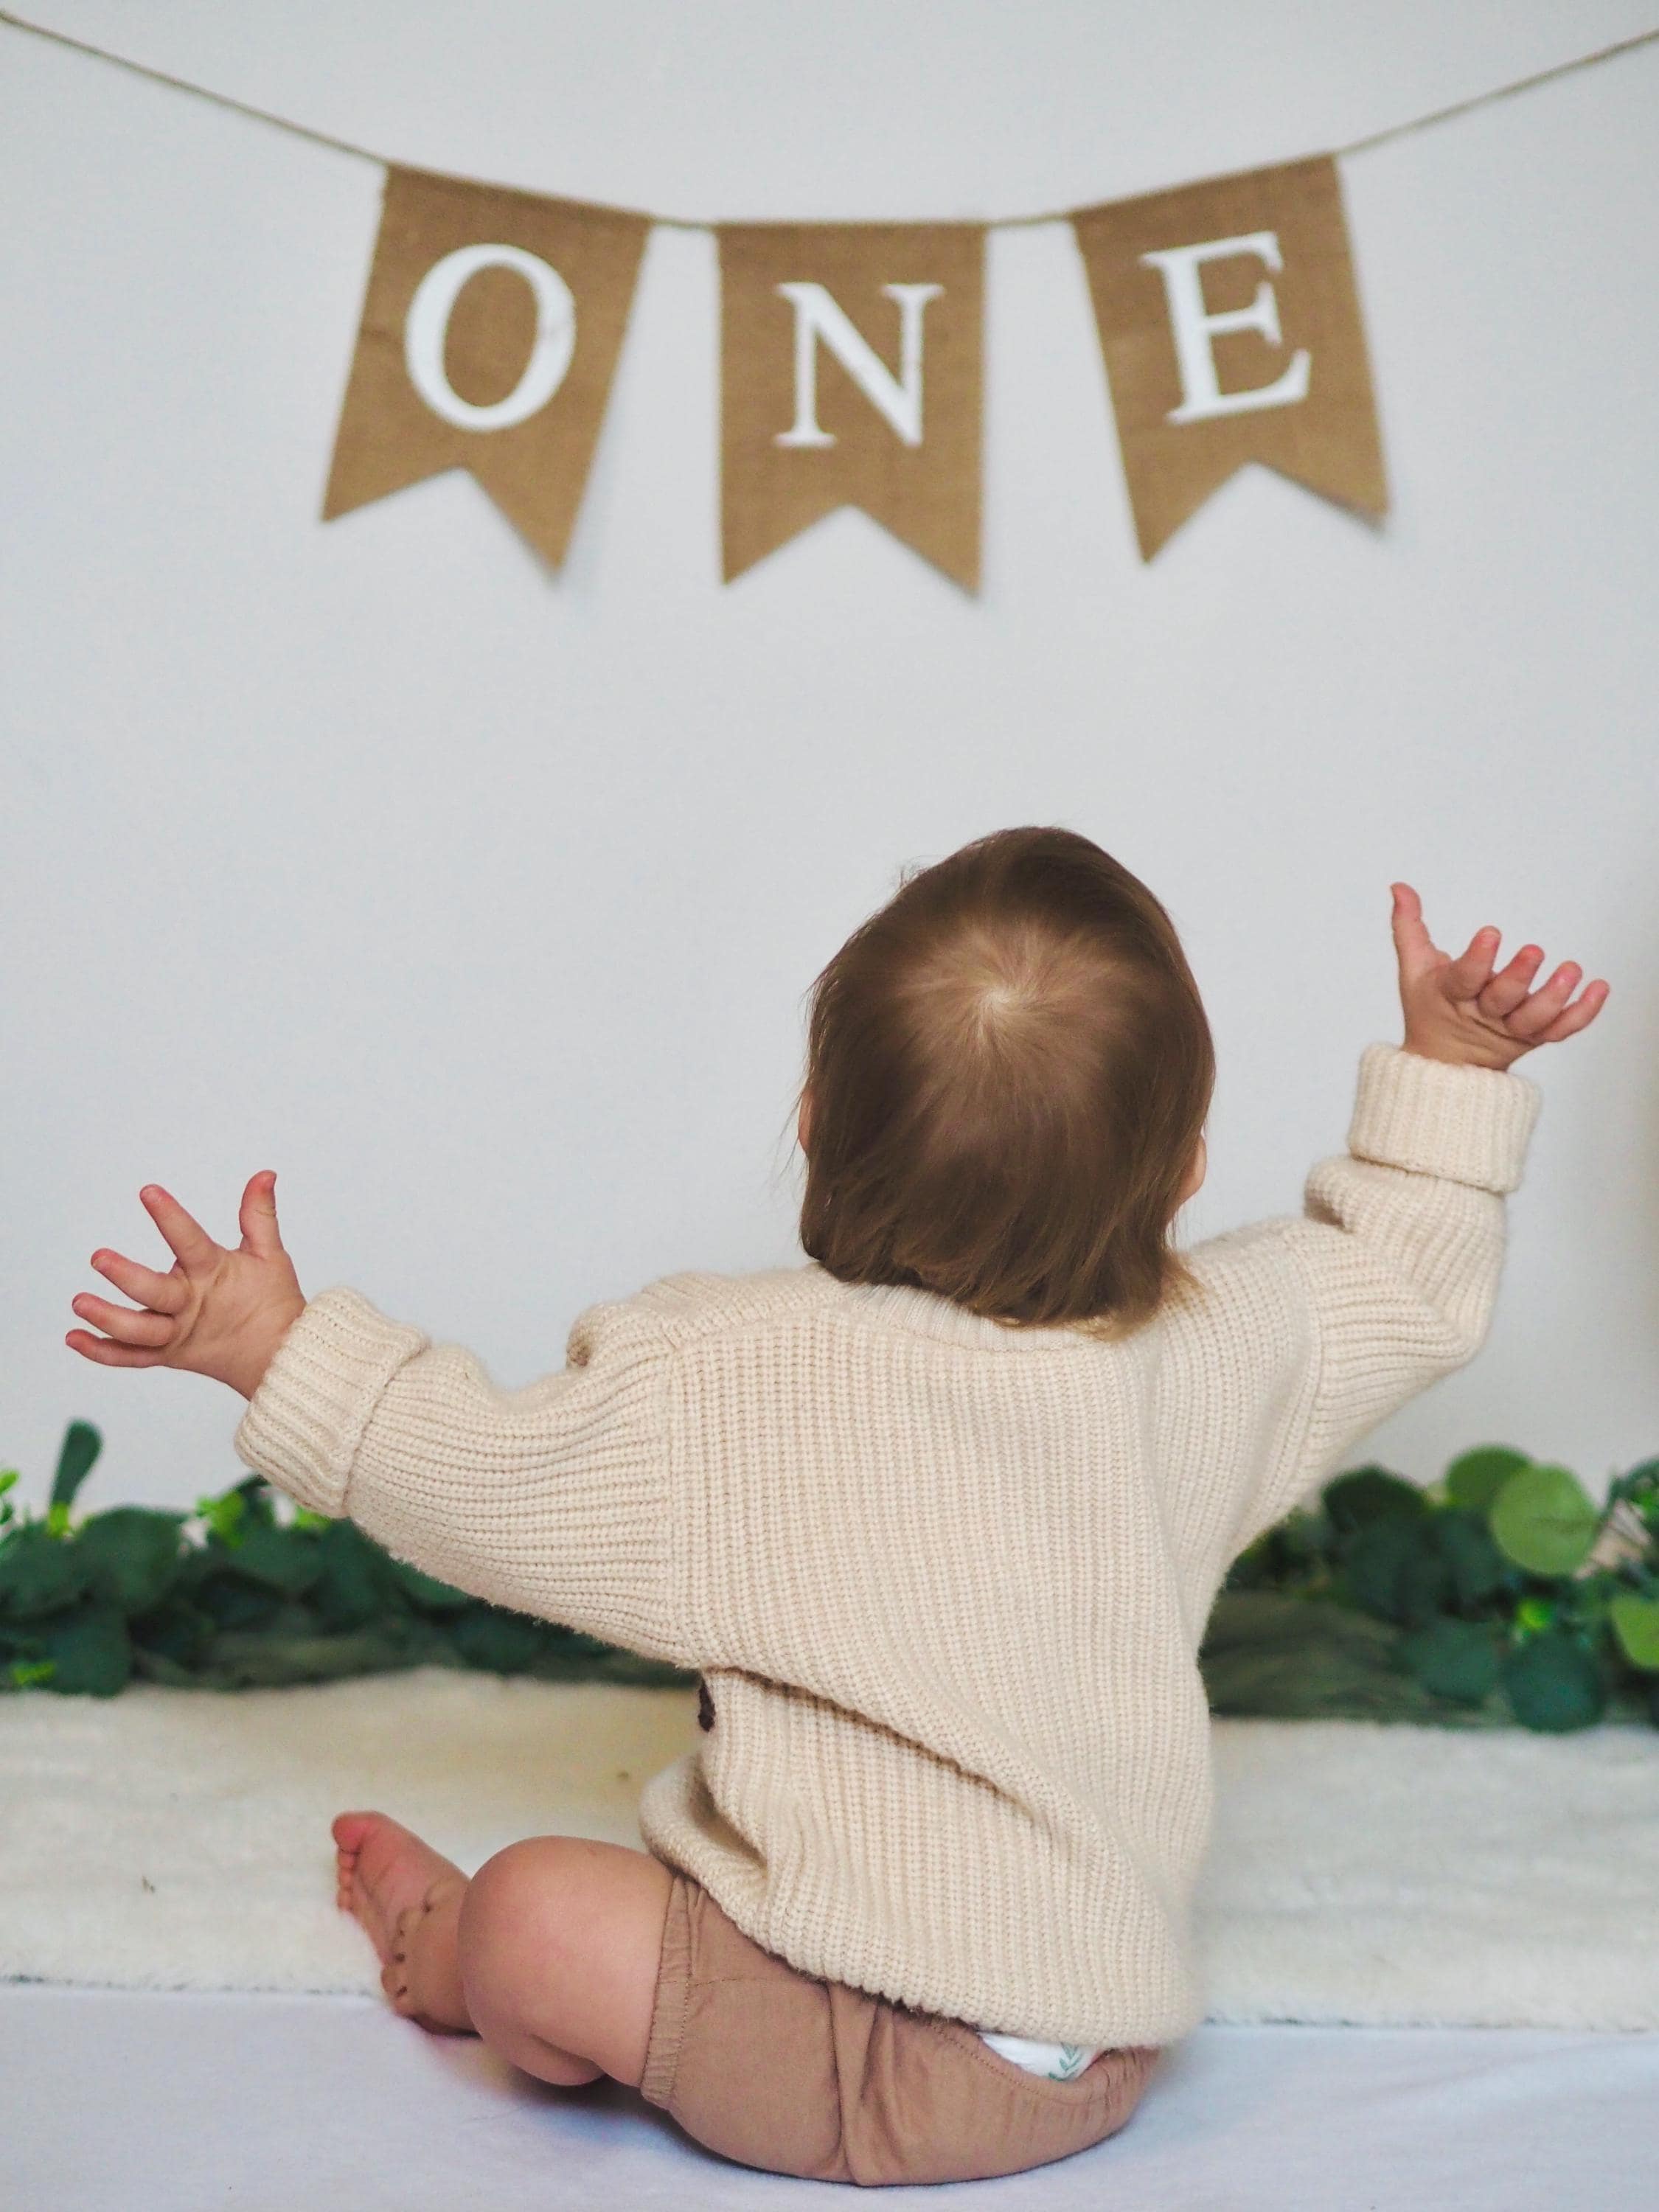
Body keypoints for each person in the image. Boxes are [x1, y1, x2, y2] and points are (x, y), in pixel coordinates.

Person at [66, 830, 1607, 2186]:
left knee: (539, 1911)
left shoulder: (732, 1382)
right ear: (1187, 1170)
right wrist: (1453, 1078)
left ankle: (442, 1947)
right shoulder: (1216, 1346)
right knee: (600, 1913)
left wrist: (279, 1349)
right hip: (1076, 2062)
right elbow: (1400, 1281)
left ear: (813, 1123)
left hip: (808, 2046)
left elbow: (483, 1474)